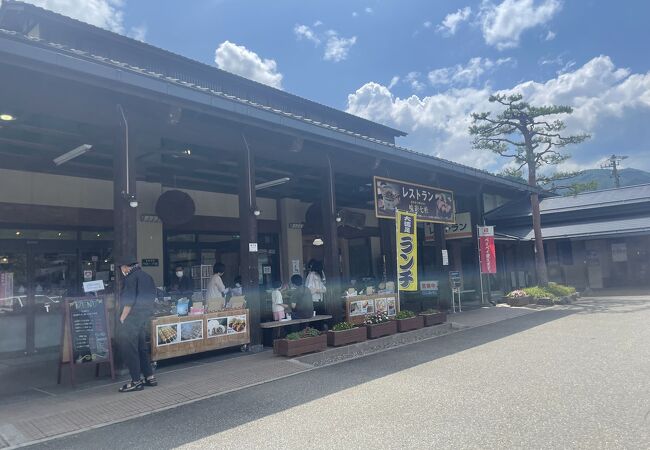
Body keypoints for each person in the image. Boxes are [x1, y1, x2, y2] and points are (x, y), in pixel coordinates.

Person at [116, 255, 157, 393]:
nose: (122, 270)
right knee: (142, 348)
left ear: (125, 267)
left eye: (122, 268)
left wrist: (122, 318)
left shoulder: (130, 278)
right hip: (144, 317)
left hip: (132, 318)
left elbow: (128, 301)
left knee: (130, 349)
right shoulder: (147, 277)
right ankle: (149, 376)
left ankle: (136, 381)